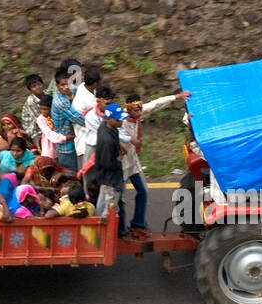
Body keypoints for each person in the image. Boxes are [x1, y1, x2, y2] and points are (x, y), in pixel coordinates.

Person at [121, 91, 181, 239]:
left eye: (140, 108)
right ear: (127, 109)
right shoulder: (120, 121)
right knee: (119, 199)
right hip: (120, 164)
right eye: (135, 109)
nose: (139, 111)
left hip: (133, 162)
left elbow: (156, 104)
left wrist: (176, 97)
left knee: (143, 191)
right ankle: (120, 230)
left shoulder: (139, 113)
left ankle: (138, 223)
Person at [93, 101, 129, 235]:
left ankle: (97, 230)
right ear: (110, 119)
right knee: (110, 208)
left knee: (102, 204)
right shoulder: (106, 140)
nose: (121, 122)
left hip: (105, 178)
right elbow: (107, 164)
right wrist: (119, 159)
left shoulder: (105, 126)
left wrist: (119, 144)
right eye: (118, 120)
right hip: (111, 178)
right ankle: (104, 236)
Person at [50, 67, 85, 172]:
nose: (66, 87)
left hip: (75, 139)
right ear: (57, 86)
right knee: (71, 175)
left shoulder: (73, 90)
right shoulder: (60, 102)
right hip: (66, 146)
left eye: (68, 84)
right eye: (62, 85)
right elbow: (78, 119)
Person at [72, 65, 102, 168]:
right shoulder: (80, 101)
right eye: (99, 82)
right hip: (84, 141)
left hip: (96, 138)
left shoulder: (90, 90)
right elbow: (82, 122)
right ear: (94, 84)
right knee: (88, 174)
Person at [22, 74, 46, 141]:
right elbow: (39, 119)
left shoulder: (47, 94)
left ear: (42, 84)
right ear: (30, 89)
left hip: (48, 122)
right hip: (34, 129)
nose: (38, 87)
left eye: (39, 84)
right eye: (34, 86)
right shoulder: (31, 102)